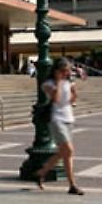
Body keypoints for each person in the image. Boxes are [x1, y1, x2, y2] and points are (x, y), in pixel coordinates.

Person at [34, 57, 83, 195]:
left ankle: (42, 172)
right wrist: (59, 82)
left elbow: (72, 100)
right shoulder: (48, 84)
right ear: (57, 71)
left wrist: (73, 90)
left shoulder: (69, 82)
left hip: (68, 118)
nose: (67, 73)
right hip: (56, 119)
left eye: (68, 71)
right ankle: (72, 185)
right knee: (68, 150)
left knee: (64, 152)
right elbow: (55, 98)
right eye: (64, 71)